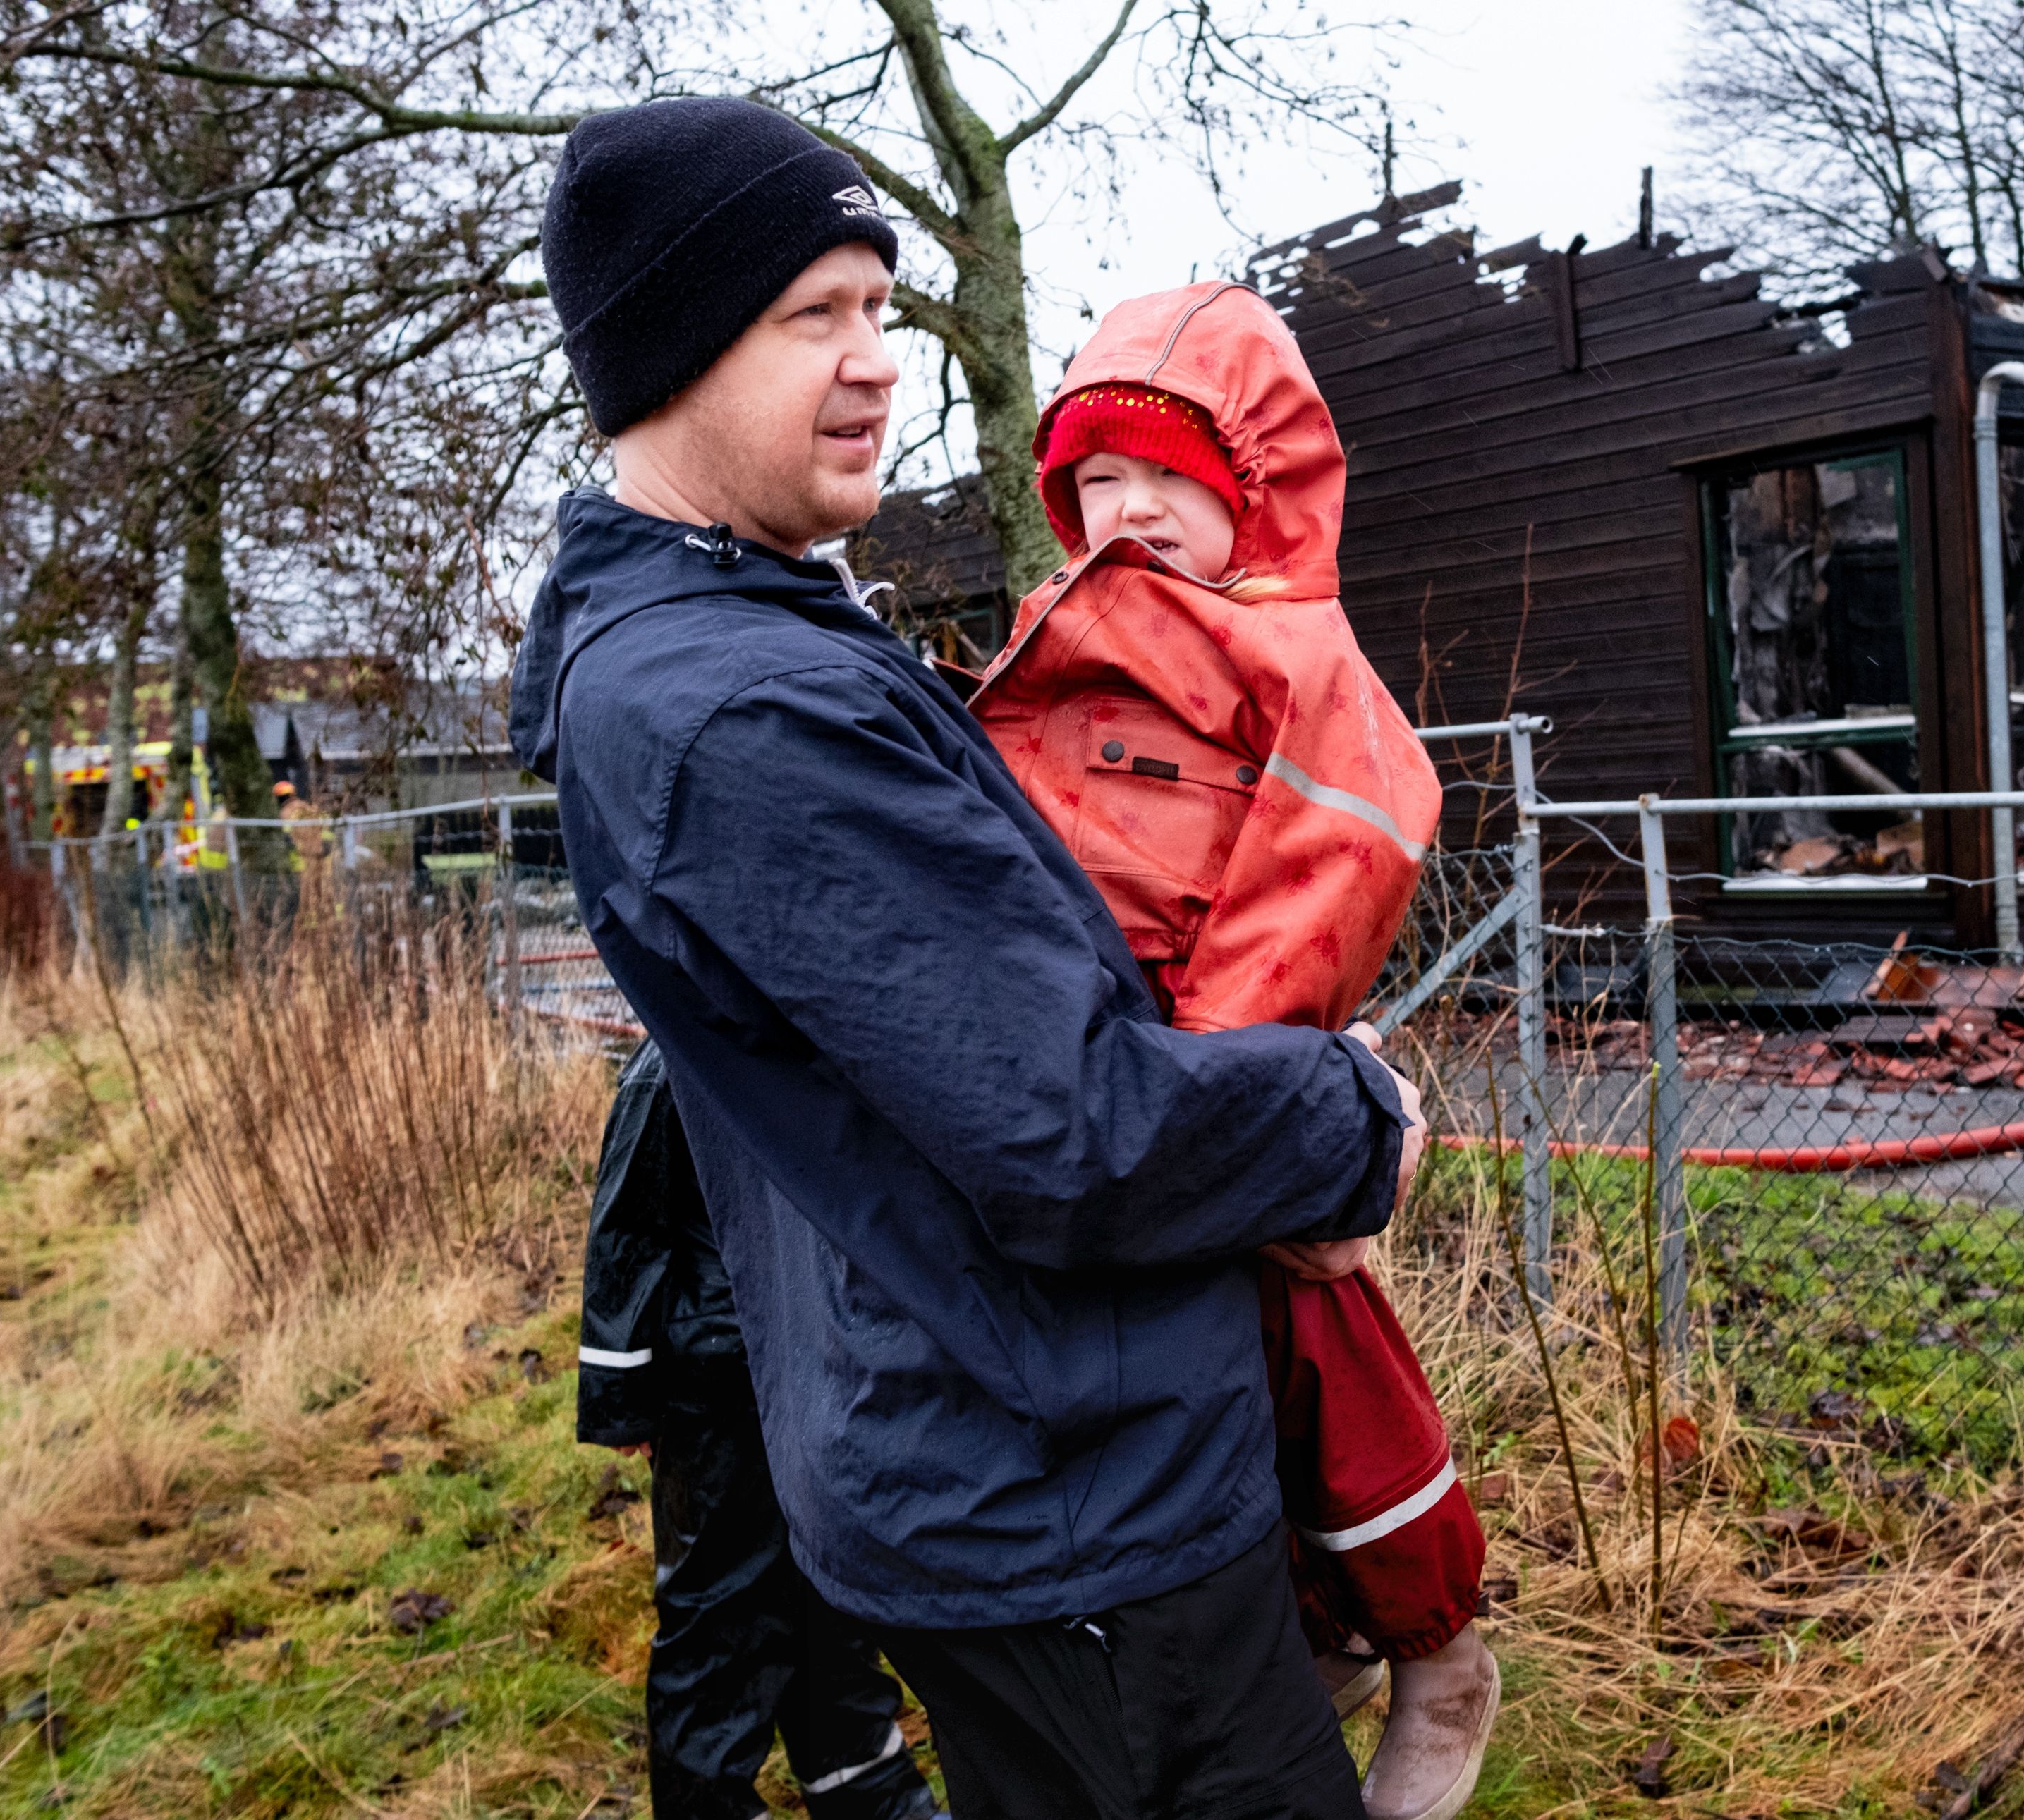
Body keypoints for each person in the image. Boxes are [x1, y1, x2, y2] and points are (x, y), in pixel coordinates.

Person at [508, 97, 1427, 1820]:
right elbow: (1081, 1131)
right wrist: (1351, 1114)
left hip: (997, 1445)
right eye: (814, 315)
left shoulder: (741, 632)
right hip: (1067, 1492)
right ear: (672, 351)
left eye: (880, 307)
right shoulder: (748, 710)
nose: (877, 361)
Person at [967, 286, 1496, 1820]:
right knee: (1208, 1403)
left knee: (1326, 1364)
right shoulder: (1056, 636)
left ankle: (1439, 1640)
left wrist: (1216, 1097)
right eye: (1097, 482)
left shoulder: (1294, 656)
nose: (1128, 512)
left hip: (1202, 1077)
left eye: (1168, 478)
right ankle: (1321, 1636)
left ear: (1252, 489)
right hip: (1098, 1080)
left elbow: (1332, 858)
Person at [578, 1042, 944, 1820]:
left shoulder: (812, 1032)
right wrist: (622, 1394)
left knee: (831, 1589)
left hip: (819, 1368)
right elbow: (626, 1228)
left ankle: (867, 1792)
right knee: (720, 1612)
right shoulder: (672, 1056)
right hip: (718, 1387)